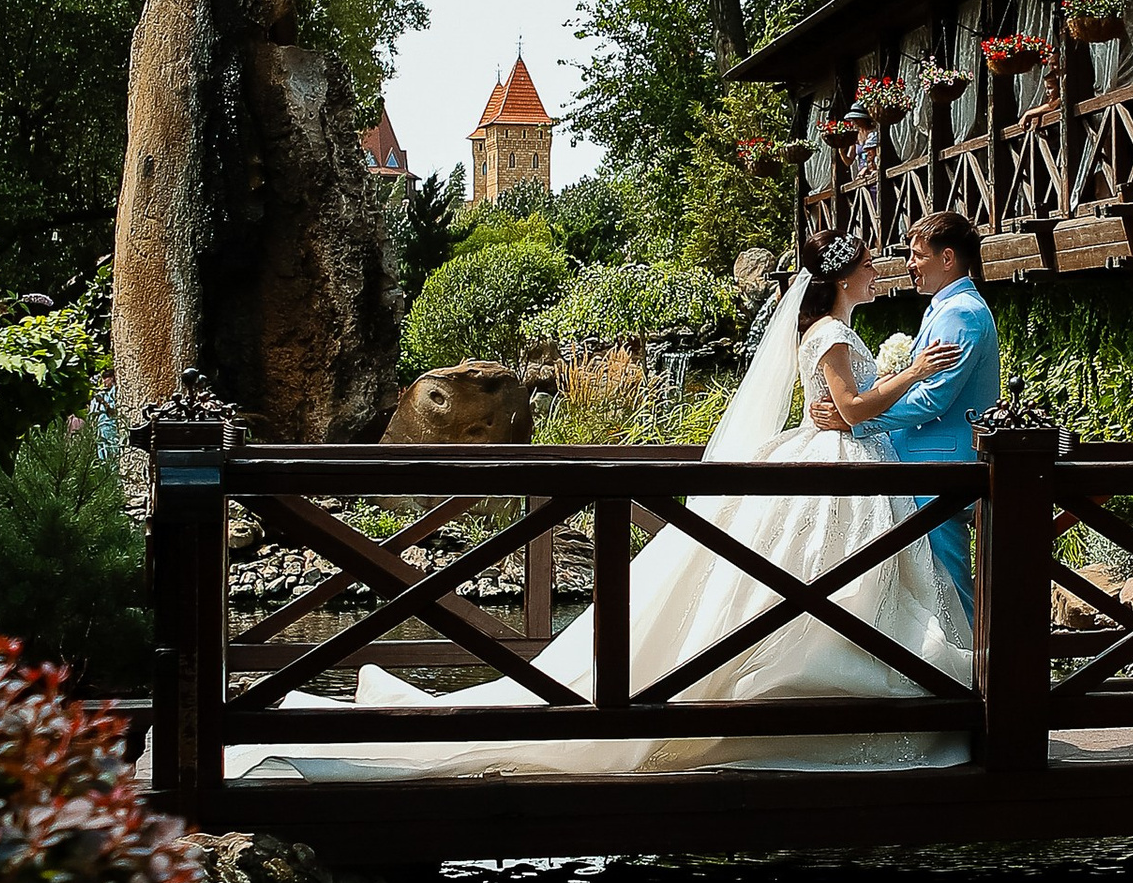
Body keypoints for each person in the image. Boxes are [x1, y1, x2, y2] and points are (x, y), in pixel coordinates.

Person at [228, 231, 976, 782]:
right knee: (815, 592)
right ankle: (824, 711)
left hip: (842, 468)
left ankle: (864, 701)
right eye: (873, 264)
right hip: (837, 474)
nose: (882, 271)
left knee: (820, 594)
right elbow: (844, 408)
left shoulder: (831, 327)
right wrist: (910, 372)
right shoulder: (834, 331)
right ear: (845, 275)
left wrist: (873, 393)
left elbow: (829, 413)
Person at [812, 210, 1000, 619]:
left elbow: (933, 399)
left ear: (947, 258)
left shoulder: (960, 314)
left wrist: (858, 420)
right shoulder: (943, 307)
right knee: (925, 583)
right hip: (920, 462)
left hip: (940, 466)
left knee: (947, 580)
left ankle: (969, 672)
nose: (909, 265)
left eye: (917, 256)